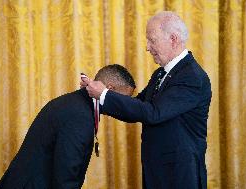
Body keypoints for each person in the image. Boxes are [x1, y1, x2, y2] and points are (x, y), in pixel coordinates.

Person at [82, 11, 212, 189]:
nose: (147, 47)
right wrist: (96, 97)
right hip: (157, 171)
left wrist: (103, 94)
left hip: (180, 175)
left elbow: (153, 113)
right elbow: (138, 106)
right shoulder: (160, 73)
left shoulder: (192, 76)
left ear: (173, 39)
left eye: (152, 40)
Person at [0, 64, 136, 189]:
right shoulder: (80, 115)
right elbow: (66, 175)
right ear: (109, 89)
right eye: (124, 99)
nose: (124, 106)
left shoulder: (75, 102)